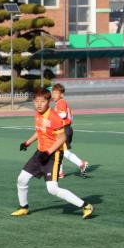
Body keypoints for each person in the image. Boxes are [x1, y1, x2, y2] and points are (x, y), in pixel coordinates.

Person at [12, 87, 94, 219]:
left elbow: (62, 138)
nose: (39, 104)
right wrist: (27, 142)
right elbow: (39, 131)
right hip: (40, 153)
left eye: (42, 101)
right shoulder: (38, 114)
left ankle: (86, 205)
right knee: (22, 179)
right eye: (36, 101)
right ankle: (24, 207)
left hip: (53, 155)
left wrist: (48, 152)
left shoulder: (54, 117)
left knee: (52, 189)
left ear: (48, 101)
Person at [51, 83, 89, 178]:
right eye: (53, 93)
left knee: (63, 151)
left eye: (56, 93)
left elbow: (63, 115)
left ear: (62, 94)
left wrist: (52, 116)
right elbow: (71, 117)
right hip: (65, 129)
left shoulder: (61, 102)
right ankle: (60, 172)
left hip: (64, 130)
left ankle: (81, 163)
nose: (53, 95)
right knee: (58, 151)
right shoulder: (60, 103)